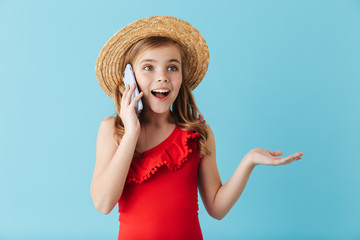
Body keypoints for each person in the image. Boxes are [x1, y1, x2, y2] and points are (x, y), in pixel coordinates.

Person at [90, 16, 303, 240]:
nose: (162, 77)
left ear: (182, 76)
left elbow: (216, 208)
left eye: (172, 67)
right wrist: (132, 132)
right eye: (148, 67)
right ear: (129, 78)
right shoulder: (113, 131)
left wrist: (248, 161)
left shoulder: (198, 134)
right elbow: (103, 203)